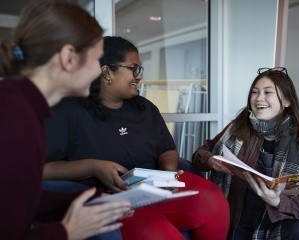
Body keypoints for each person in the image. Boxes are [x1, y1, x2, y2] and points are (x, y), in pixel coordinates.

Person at [43, 36, 230, 240]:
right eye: (133, 68)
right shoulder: (68, 111)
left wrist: (168, 172)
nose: (139, 76)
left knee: (213, 200)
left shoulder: (145, 108)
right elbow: (41, 170)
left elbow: (166, 148)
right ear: (107, 72)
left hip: (156, 187)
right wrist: (93, 166)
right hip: (115, 197)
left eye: (139, 69)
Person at [0, 2, 133, 240]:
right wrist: (67, 231)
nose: (98, 71)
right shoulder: (14, 120)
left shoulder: (22, 106)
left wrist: (90, 201)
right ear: (69, 57)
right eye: (96, 60)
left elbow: (21, 198)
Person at [192, 67, 299, 240]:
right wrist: (211, 161)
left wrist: (277, 201)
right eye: (255, 92)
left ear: (287, 101)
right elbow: (200, 154)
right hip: (236, 216)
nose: (259, 98)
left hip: (277, 220)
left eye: (268, 92)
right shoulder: (237, 127)